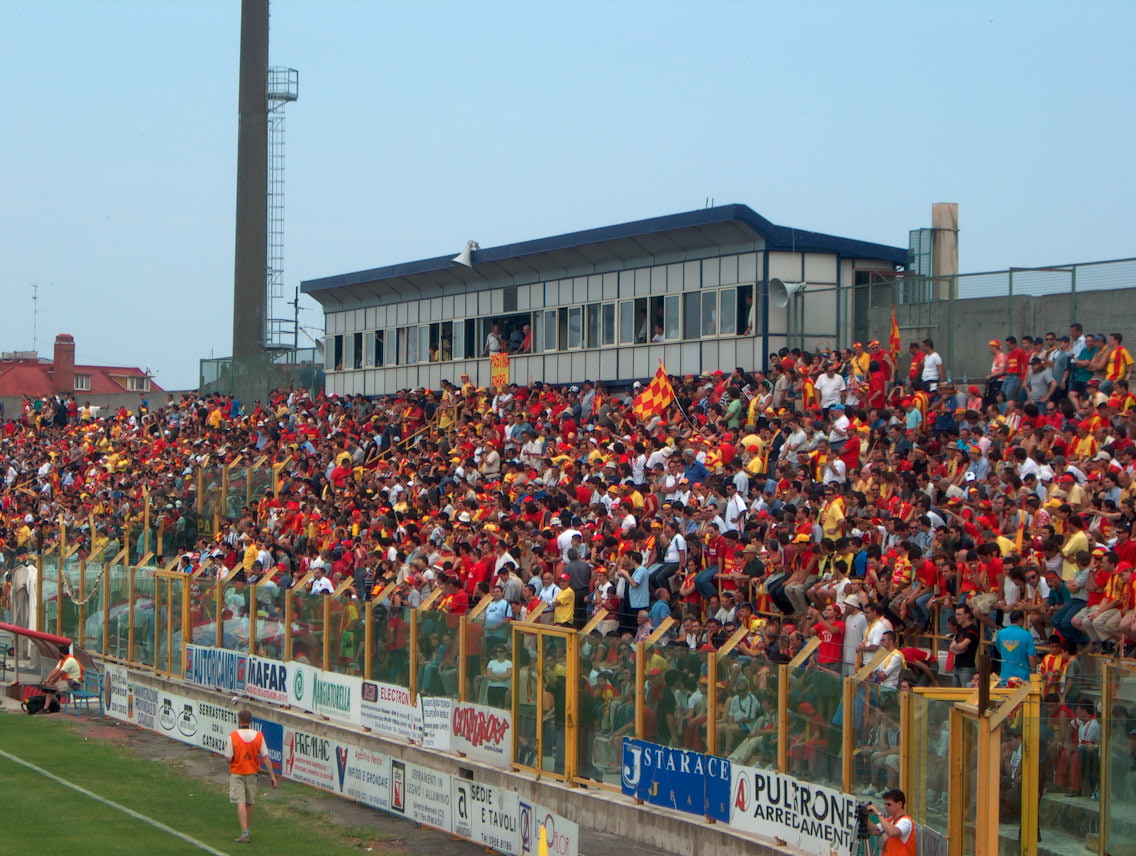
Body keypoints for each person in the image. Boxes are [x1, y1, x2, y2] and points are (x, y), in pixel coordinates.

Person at [226, 709, 277, 844]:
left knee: (241, 802)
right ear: (250, 721)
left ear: (239, 720)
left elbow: (228, 757)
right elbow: (266, 757)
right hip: (252, 772)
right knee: (250, 802)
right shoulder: (258, 736)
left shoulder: (233, 736)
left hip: (237, 772)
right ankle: (247, 831)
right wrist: (272, 776)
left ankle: (244, 834)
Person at [865, 788, 916, 856]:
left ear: (899, 804)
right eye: (885, 804)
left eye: (889, 804)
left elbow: (894, 832)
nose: (886, 807)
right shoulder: (890, 820)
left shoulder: (906, 821)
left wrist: (878, 814)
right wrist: (865, 816)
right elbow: (874, 830)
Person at [40, 643, 83, 709]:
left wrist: (52, 682)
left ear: (61, 653)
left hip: (74, 683)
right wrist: (48, 678)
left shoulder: (69, 661)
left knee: (51, 687)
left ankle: (47, 707)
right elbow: (56, 670)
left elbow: (60, 673)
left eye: (59, 652)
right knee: (50, 687)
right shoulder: (63, 660)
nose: (58, 654)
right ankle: (47, 706)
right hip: (68, 681)